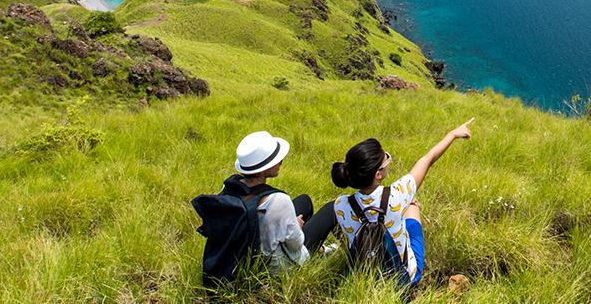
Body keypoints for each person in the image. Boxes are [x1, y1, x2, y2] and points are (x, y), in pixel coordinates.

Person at [330, 119, 474, 286]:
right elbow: (428, 160)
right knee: (412, 207)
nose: (388, 161)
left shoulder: (340, 204)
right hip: (403, 280)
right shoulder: (398, 193)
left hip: (363, 279)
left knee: (404, 207)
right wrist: (452, 134)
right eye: (387, 160)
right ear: (378, 174)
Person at [193, 131, 337, 284]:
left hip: (239, 258)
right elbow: (296, 243)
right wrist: (297, 226)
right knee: (331, 208)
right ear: (262, 170)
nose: (281, 161)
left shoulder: (229, 188)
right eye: (276, 159)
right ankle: (324, 252)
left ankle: (321, 250)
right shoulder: (278, 200)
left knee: (304, 201)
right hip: (273, 269)